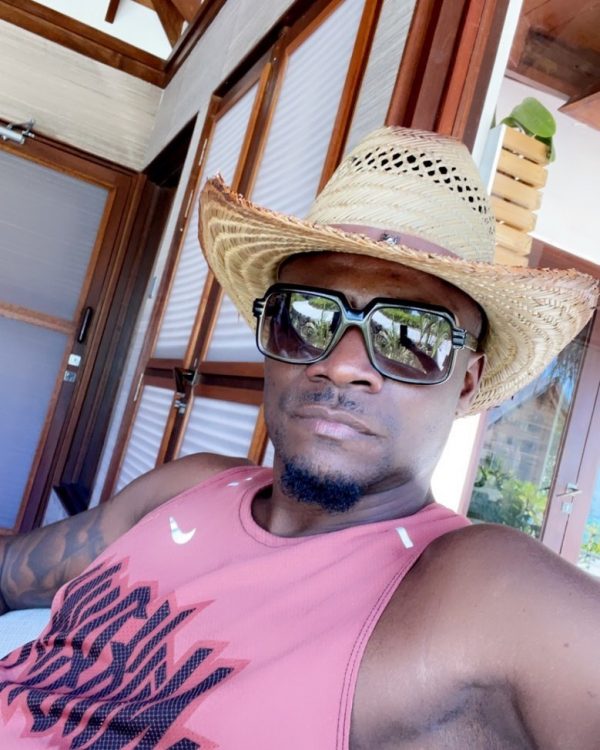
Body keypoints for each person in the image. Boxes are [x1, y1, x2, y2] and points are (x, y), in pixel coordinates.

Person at [0, 126, 599, 749]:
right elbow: (13, 572)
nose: (341, 365)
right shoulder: (190, 486)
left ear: (467, 382)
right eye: (307, 316)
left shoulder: (472, 592)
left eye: (410, 335)